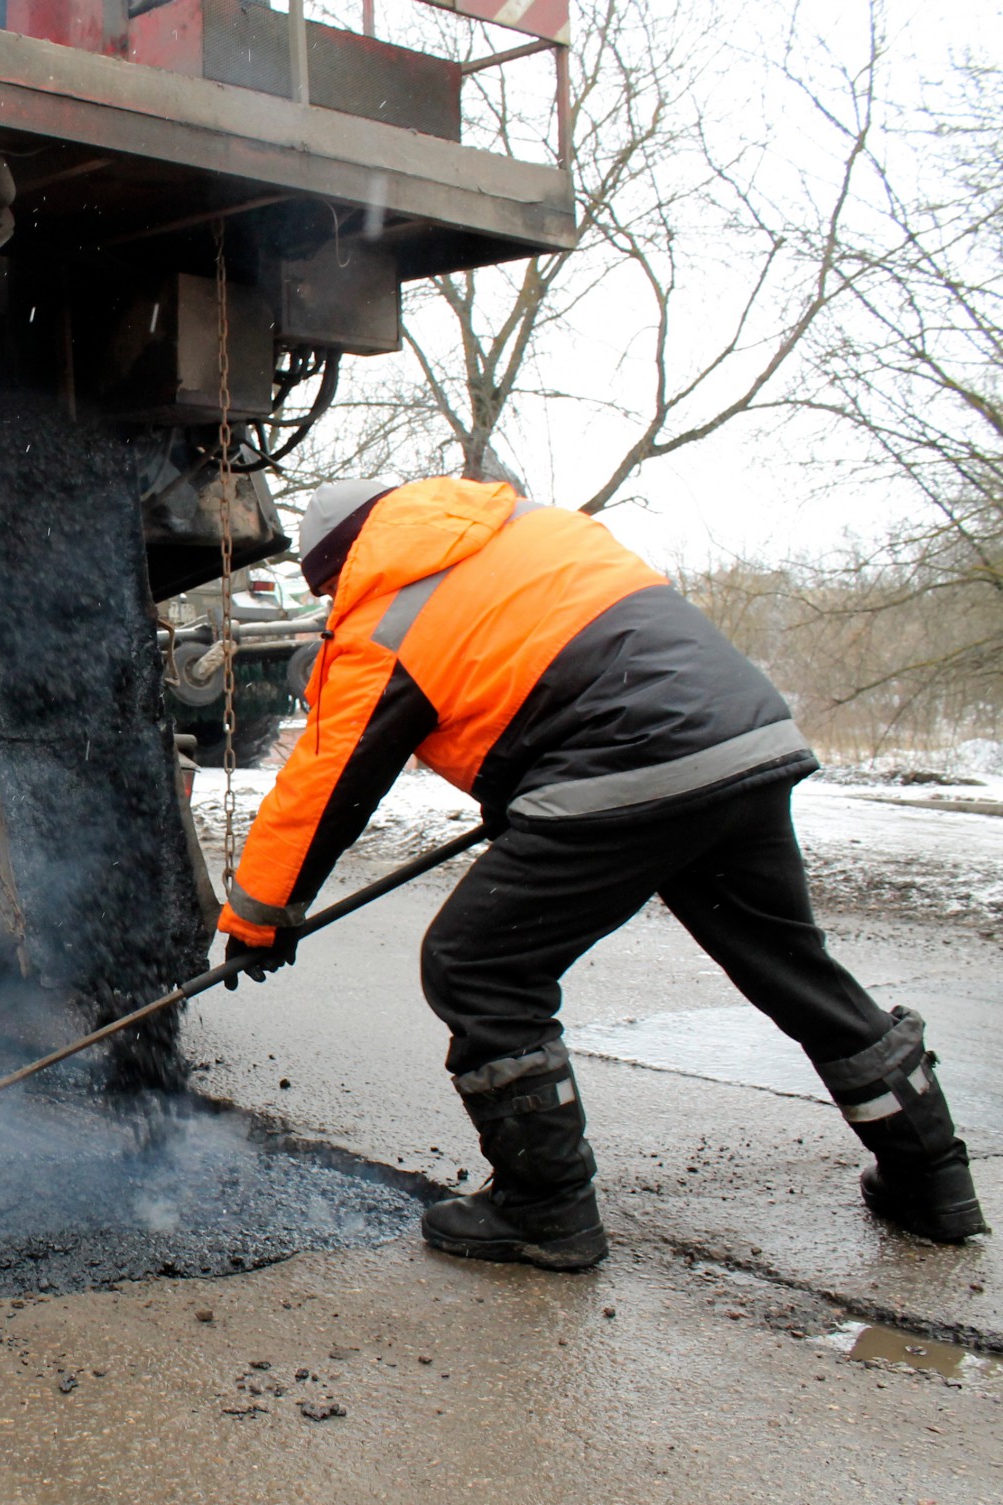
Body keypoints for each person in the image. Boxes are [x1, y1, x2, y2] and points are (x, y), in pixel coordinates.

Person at [217, 475, 988, 1273]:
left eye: (328, 589)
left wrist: (259, 919)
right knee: (794, 968)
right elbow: (551, 662)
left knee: (477, 964)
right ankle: (933, 1180)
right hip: (743, 739)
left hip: (631, 759)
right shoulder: (524, 531)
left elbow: (327, 785)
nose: (335, 604)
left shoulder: (387, 609)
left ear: (341, 562)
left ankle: (543, 1208)